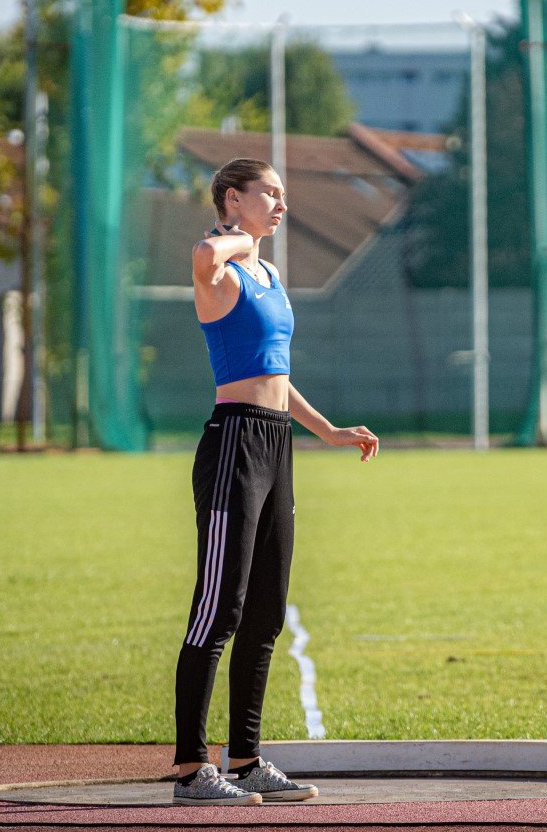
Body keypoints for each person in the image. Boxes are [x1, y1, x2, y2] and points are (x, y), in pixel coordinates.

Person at [172, 157, 380, 806]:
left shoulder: (267, 273)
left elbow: (278, 377)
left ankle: (246, 759)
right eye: (270, 193)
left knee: (265, 613)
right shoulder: (224, 267)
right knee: (220, 609)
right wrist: (240, 231)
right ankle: (189, 769)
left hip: (274, 443)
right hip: (232, 441)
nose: (281, 204)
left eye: (283, 195)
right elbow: (202, 255)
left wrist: (330, 432)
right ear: (234, 199)